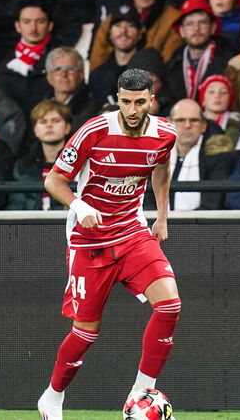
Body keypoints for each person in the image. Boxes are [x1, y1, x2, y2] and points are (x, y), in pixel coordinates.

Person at [37, 68, 179, 420]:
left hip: (132, 231)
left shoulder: (165, 134)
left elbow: (161, 168)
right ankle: (52, 398)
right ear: (119, 98)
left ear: (152, 100)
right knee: (86, 333)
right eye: (126, 102)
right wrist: (79, 205)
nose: (132, 110)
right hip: (89, 241)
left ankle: (141, 392)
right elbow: (54, 180)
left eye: (140, 102)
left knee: (170, 306)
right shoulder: (95, 130)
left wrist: (161, 216)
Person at [165, 98, 234, 210]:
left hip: (200, 226)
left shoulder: (218, 156)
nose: (187, 125)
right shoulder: (154, 155)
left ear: (203, 126)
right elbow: (146, 200)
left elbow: (212, 204)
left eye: (194, 120)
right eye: (180, 120)